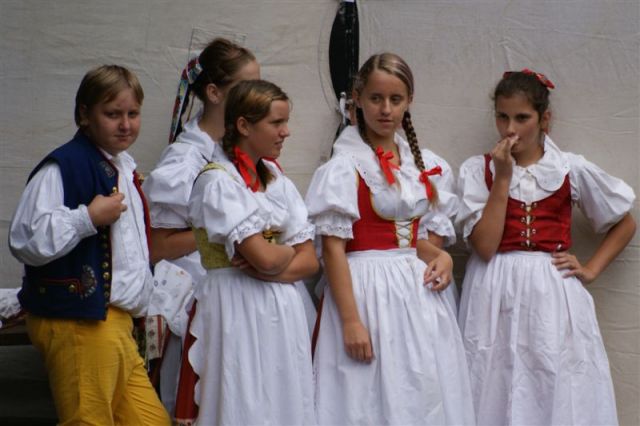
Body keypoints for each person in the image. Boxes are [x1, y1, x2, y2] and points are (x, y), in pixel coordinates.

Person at [456, 69, 636, 425]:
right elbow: (486, 247)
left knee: (554, 380)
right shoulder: (479, 171)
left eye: (522, 118)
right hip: (494, 289)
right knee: (494, 379)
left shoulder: (569, 168)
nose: (511, 129)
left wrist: (591, 268)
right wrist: (503, 177)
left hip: (551, 294)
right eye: (502, 117)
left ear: (544, 119)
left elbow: (625, 222)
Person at [306, 52, 475, 425]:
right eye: (376, 99)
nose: (385, 109)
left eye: (395, 100)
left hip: (417, 296)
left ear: (409, 101)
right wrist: (351, 321)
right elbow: (334, 249)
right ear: (358, 99)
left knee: (421, 391)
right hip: (365, 293)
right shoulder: (343, 167)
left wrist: (441, 256)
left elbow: (409, 240)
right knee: (367, 396)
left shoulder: (418, 163)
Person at [8, 65, 170, 425]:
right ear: (84, 114)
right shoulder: (63, 167)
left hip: (114, 323)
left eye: (132, 113)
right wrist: (86, 218)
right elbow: (25, 239)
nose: (125, 124)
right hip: (80, 322)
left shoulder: (121, 167)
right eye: (112, 114)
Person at [175, 79, 318, 425]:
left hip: (281, 310)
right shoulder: (218, 181)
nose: (286, 132)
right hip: (234, 305)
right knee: (242, 395)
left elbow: (309, 260)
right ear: (243, 125)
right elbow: (267, 258)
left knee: (280, 397)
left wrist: (271, 260)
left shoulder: (277, 181)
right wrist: (281, 254)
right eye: (276, 123)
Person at [141, 37, 260, 414]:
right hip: (203, 291)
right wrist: (220, 235)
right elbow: (158, 247)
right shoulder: (186, 160)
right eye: (247, 87)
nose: (256, 94)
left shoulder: (245, 148)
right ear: (213, 92)